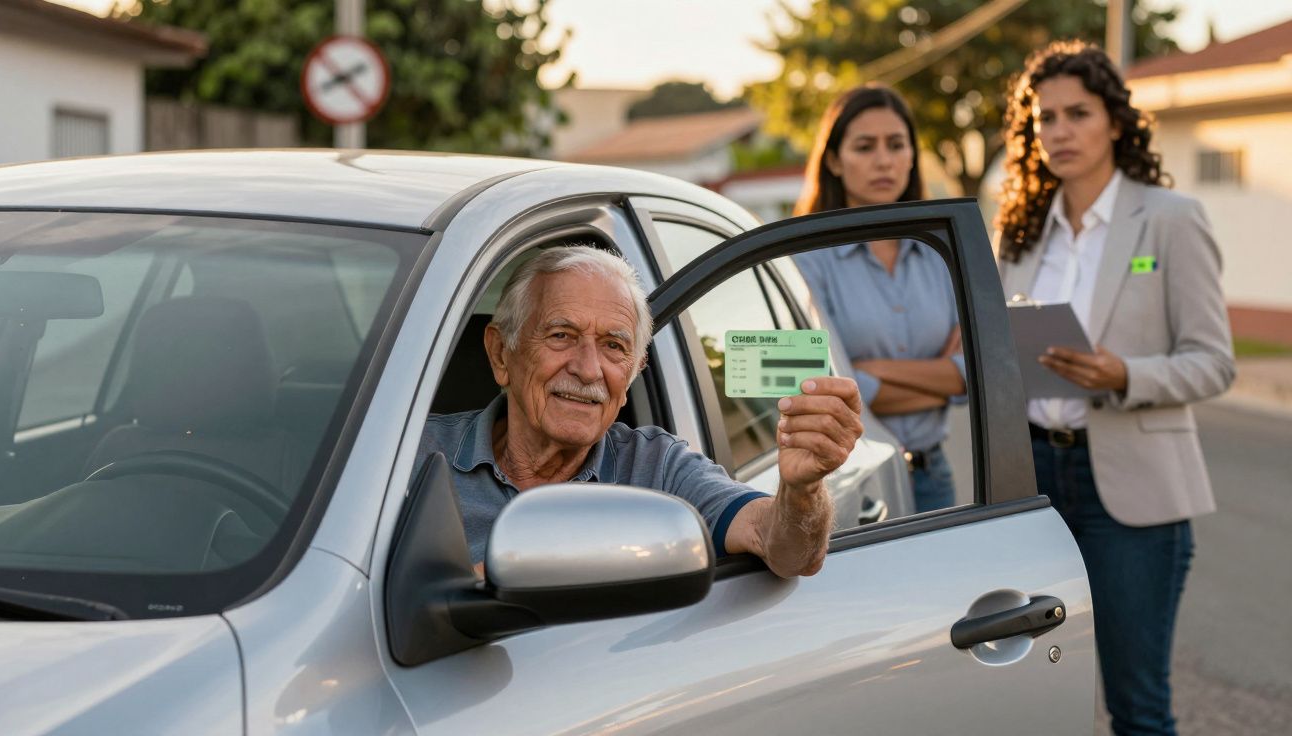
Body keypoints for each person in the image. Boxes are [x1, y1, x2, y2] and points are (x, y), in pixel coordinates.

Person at [995, 41, 1234, 735]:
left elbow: (1214, 361)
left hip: (1130, 492)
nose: (1061, 132)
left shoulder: (1170, 218)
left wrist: (1124, 373)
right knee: (1033, 697)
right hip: (1034, 480)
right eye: (1046, 119)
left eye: (1078, 113)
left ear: (1116, 123)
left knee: (1137, 706)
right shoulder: (1019, 232)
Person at [418, 245, 864, 578]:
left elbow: (787, 550)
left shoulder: (658, 468)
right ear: (501, 354)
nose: (588, 369)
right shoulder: (407, 459)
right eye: (561, 335)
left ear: (633, 374)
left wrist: (802, 488)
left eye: (613, 347)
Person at [791, 84, 967, 514]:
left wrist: (869, 374)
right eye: (865, 147)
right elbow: (814, 389)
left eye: (896, 145)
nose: (884, 160)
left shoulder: (945, 254)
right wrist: (939, 380)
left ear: (912, 155)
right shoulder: (801, 261)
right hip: (846, 485)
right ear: (834, 160)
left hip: (933, 479)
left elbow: (973, 375)